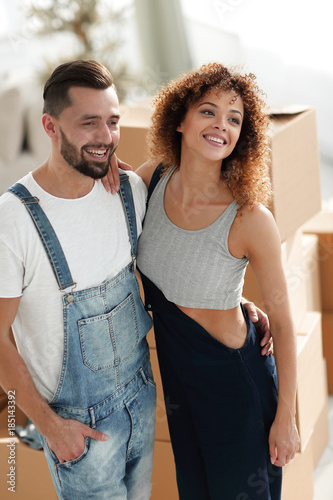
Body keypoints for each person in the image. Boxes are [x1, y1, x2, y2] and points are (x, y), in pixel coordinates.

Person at [133, 63, 300, 499]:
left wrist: (287, 416)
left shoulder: (250, 218)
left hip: (233, 382)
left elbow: (282, 323)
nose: (220, 126)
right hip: (178, 378)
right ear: (181, 119)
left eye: (234, 118)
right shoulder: (151, 181)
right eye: (209, 111)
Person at [0, 60, 156, 500]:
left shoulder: (128, 191)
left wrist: (238, 302)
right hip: (77, 429)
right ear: (50, 126)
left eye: (112, 122)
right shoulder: (14, 220)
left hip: (141, 399)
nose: (105, 137)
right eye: (89, 124)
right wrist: (48, 427)